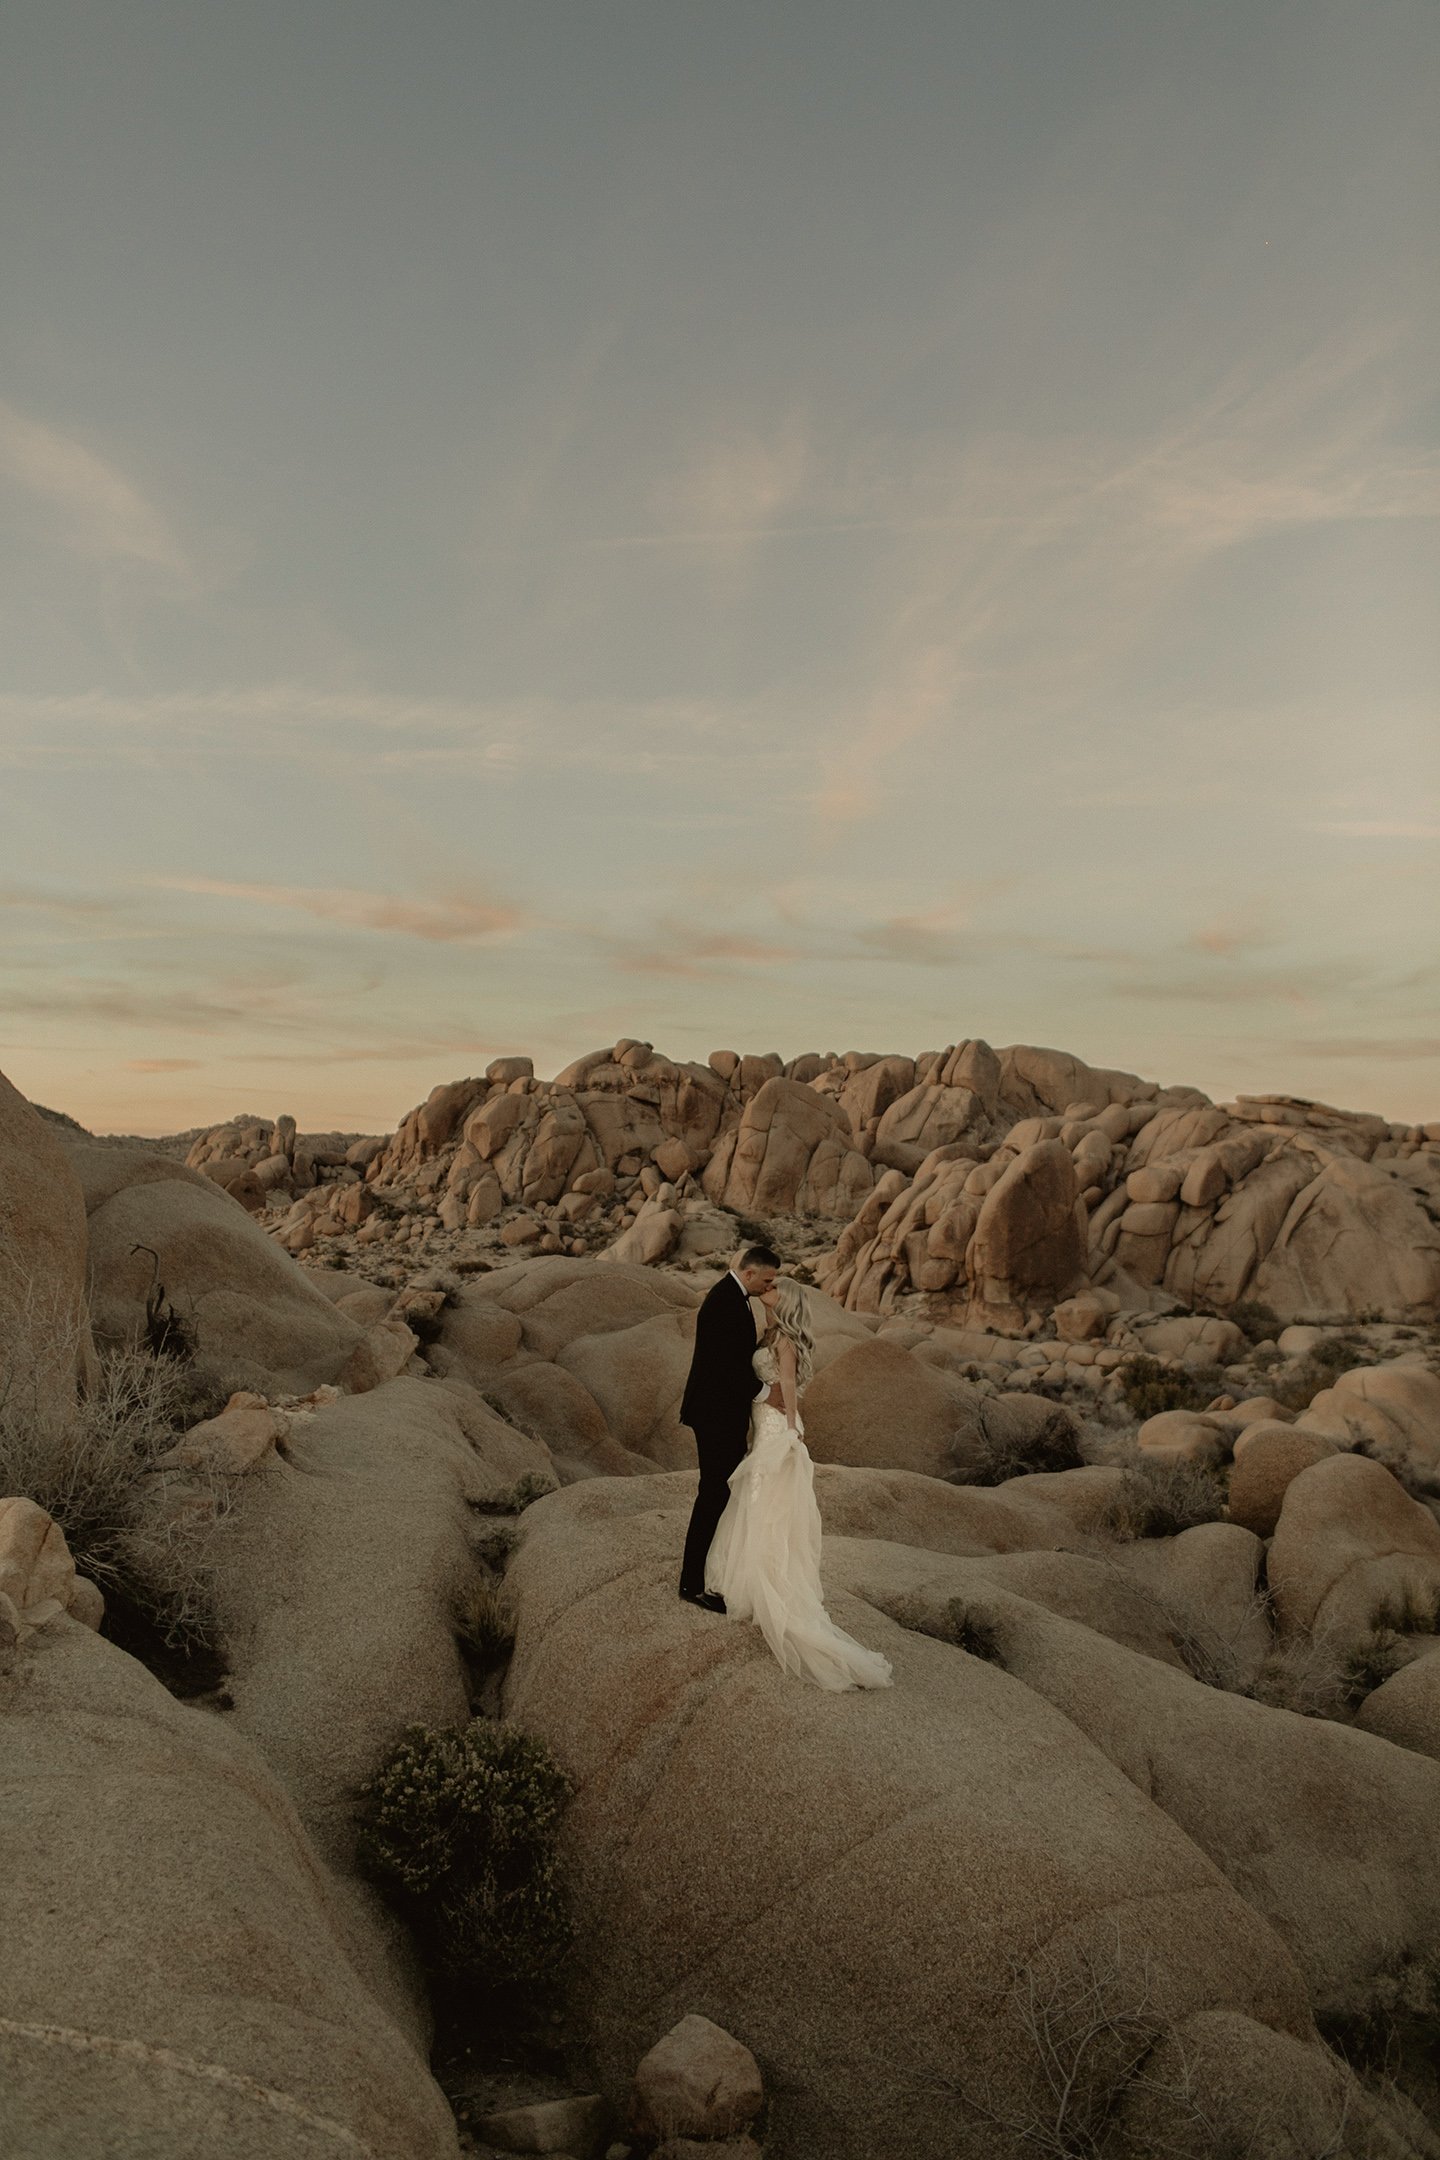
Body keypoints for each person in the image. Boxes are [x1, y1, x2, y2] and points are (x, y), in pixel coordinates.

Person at [706, 1277, 894, 1693]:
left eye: (774, 1288)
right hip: (763, 1424)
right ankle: (754, 1583)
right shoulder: (771, 1332)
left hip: (776, 1427)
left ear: (784, 1300)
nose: (768, 1289)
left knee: (767, 1504)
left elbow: (788, 1385)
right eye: (767, 1284)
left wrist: (791, 1431)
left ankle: (769, 1587)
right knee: (758, 1501)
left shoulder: (786, 1339)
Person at [676, 1244, 779, 1611]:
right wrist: (768, 1392)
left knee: (720, 1494)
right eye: (767, 1279)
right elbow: (726, 1366)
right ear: (749, 1273)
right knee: (713, 1495)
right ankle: (691, 1585)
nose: (770, 1286)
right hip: (714, 1415)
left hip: (721, 1414)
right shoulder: (724, 1301)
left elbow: (739, 1355)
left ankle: (708, 1573)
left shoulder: (735, 1298)